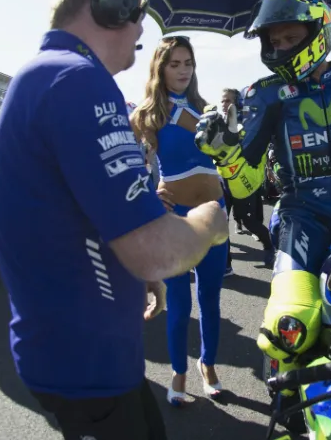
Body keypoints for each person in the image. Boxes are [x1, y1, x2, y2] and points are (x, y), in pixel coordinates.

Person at [0, 0, 228, 440]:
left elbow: (72, 210)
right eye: (137, 11)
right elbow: (155, 251)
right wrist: (211, 221)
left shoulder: (44, 75)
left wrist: (134, 271)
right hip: (88, 369)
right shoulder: (78, 80)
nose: (142, 26)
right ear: (112, 6)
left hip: (75, 357)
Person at [195, 0, 331, 401]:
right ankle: (290, 410)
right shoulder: (263, 93)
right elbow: (247, 185)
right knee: (286, 327)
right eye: (273, 41)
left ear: (320, 31)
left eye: (290, 38)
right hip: (302, 220)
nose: (279, 48)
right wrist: (225, 155)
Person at [130, 36, 229, 403]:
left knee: (210, 297)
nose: (183, 70)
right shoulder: (146, 115)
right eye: (175, 64)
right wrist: (149, 192)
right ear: (160, 68)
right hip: (175, 219)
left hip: (214, 214)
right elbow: (131, 168)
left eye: (188, 63)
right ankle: (178, 373)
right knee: (179, 300)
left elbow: (229, 156)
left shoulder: (207, 109)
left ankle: (208, 364)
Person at [219, 87, 274, 265]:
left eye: (228, 101)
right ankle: (226, 263)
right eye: (222, 101)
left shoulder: (249, 125)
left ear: (237, 103)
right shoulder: (219, 123)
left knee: (249, 221)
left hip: (244, 181)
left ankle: (269, 247)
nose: (224, 104)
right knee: (221, 222)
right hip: (223, 181)